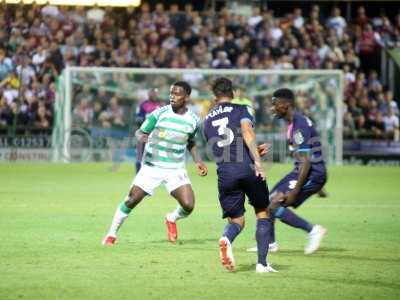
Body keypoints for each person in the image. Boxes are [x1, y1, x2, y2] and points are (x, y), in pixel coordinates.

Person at [102, 81, 208, 246]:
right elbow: (140, 132)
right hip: (152, 167)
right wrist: (143, 137)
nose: (172, 96)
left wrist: (198, 161)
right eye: (171, 93)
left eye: (177, 94)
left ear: (186, 97)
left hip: (175, 169)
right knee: (131, 200)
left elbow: (191, 141)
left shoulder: (193, 120)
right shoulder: (159, 113)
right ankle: (111, 235)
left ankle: (171, 218)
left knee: (188, 205)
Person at [203, 77, 276, 273]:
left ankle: (226, 239)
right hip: (248, 168)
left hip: (225, 174)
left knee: (236, 221)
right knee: (262, 212)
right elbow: (246, 131)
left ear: (214, 96)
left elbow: (222, 147)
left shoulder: (207, 120)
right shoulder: (241, 110)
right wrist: (258, 161)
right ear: (233, 92)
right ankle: (262, 264)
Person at [248, 88, 327, 255]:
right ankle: (270, 243)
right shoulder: (292, 124)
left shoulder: (299, 125)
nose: (272, 108)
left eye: (275, 104)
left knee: (274, 205)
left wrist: (296, 190)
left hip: (311, 173)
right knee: (267, 200)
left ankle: (313, 230)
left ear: (286, 105)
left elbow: (306, 160)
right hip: (303, 171)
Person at [135, 88, 162, 173]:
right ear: (149, 94)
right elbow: (138, 118)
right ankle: (138, 173)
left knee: (155, 155)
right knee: (140, 154)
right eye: (152, 93)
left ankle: (154, 174)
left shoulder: (160, 106)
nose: (154, 95)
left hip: (156, 133)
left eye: (155, 94)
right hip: (144, 132)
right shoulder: (143, 105)